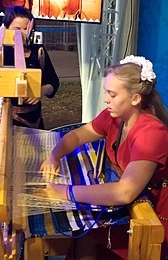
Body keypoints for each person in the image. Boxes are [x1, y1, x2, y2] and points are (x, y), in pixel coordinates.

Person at [37, 55, 168, 259]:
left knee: (89, 235)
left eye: (112, 94)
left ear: (136, 98)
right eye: (106, 92)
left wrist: (66, 192)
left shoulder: (151, 133)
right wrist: (54, 156)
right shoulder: (116, 116)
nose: (106, 99)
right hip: (130, 202)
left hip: (150, 212)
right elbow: (78, 135)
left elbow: (125, 192)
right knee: (83, 233)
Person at [0, 6, 59, 129]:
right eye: (16, 30)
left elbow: (53, 82)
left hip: (34, 121)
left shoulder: (38, 51)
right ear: (6, 29)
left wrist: (41, 91)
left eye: (25, 29)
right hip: (3, 121)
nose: (22, 35)